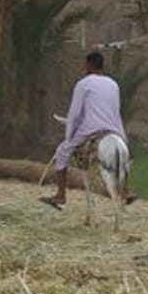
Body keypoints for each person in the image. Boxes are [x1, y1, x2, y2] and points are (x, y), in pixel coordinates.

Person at [40, 52, 136, 209]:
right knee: (125, 156)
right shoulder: (113, 84)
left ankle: (60, 195)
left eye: (85, 65)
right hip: (114, 128)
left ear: (89, 65)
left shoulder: (83, 84)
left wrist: (69, 135)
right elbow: (115, 110)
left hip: (91, 129)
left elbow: (75, 113)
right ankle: (126, 191)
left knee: (63, 151)